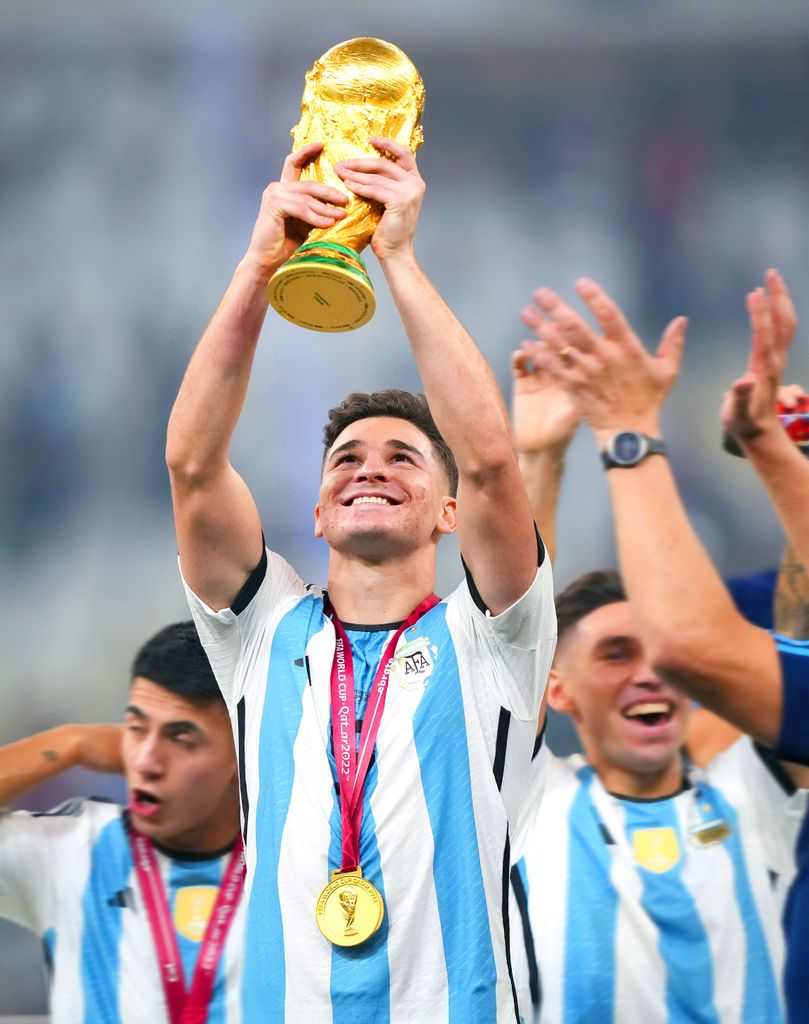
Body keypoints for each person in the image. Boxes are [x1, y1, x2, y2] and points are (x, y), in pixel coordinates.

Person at [166, 137, 556, 1022]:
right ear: (315, 511)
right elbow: (192, 467)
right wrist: (260, 266)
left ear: (447, 513)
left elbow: (493, 464)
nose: (366, 469)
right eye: (345, 457)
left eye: (403, 459)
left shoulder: (493, 640)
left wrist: (398, 259)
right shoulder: (262, 632)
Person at [520, 271, 809, 1021]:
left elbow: (799, 647)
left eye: (654, 650)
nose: (652, 671)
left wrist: (778, 453)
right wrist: (540, 461)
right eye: (615, 654)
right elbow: (502, 645)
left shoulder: (753, 790)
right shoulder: (529, 806)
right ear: (557, 688)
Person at [0, 621, 244, 1023]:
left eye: (182, 740)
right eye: (135, 728)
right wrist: (69, 744)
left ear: (244, 751)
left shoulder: (297, 858)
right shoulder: (72, 849)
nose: (145, 762)